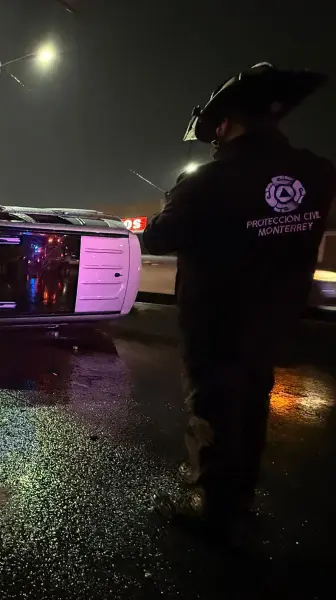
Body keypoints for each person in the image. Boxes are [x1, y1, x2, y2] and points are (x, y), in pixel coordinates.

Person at [143, 63, 336, 543]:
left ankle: (210, 509)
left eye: (217, 128)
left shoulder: (207, 181)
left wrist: (171, 203)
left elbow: (158, 238)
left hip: (215, 320)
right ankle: (239, 500)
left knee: (213, 406)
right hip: (274, 317)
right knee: (252, 403)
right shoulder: (318, 173)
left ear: (227, 123)